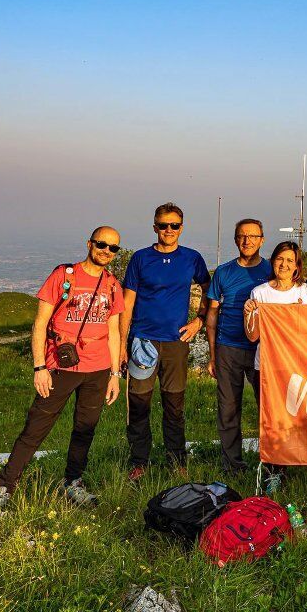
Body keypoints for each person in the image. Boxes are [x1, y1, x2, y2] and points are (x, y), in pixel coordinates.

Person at [0, 227, 125, 510]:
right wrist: (39, 366)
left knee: (84, 429)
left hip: (99, 369)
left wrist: (115, 374)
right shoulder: (64, 276)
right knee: (36, 427)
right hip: (60, 367)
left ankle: (73, 482)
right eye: (102, 244)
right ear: (89, 244)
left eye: (114, 248)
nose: (107, 251)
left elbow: (114, 332)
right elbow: (40, 323)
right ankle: (4, 485)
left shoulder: (113, 284)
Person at [120, 203, 211, 480]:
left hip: (175, 343)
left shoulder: (192, 258)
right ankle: (139, 461)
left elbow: (210, 289)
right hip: (142, 342)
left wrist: (200, 320)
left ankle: (176, 459)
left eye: (174, 225)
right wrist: (122, 347)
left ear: (181, 228)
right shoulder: (140, 259)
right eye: (163, 225)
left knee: (174, 404)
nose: (168, 230)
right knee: (138, 404)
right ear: (155, 227)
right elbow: (128, 302)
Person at [242, 242, 307, 498]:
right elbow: (252, 336)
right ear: (273, 262)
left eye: (290, 261)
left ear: (297, 266)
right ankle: (275, 472)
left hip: (302, 368)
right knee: (273, 422)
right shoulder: (260, 293)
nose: (284, 265)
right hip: (269, 368)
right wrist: (250, 314)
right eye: (280, 259)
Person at [206, 219, 271, 474]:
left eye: (253, 236)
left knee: (266, 407)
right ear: (235, 239)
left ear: (262, 240)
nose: (247, 241)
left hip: (262, 348)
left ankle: (271, 464)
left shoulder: (270, 270)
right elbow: (212, 313)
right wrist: (213, 354)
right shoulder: (223, 272)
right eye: (242, 236)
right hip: (228, 347)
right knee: (228, 409)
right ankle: (233, 465)